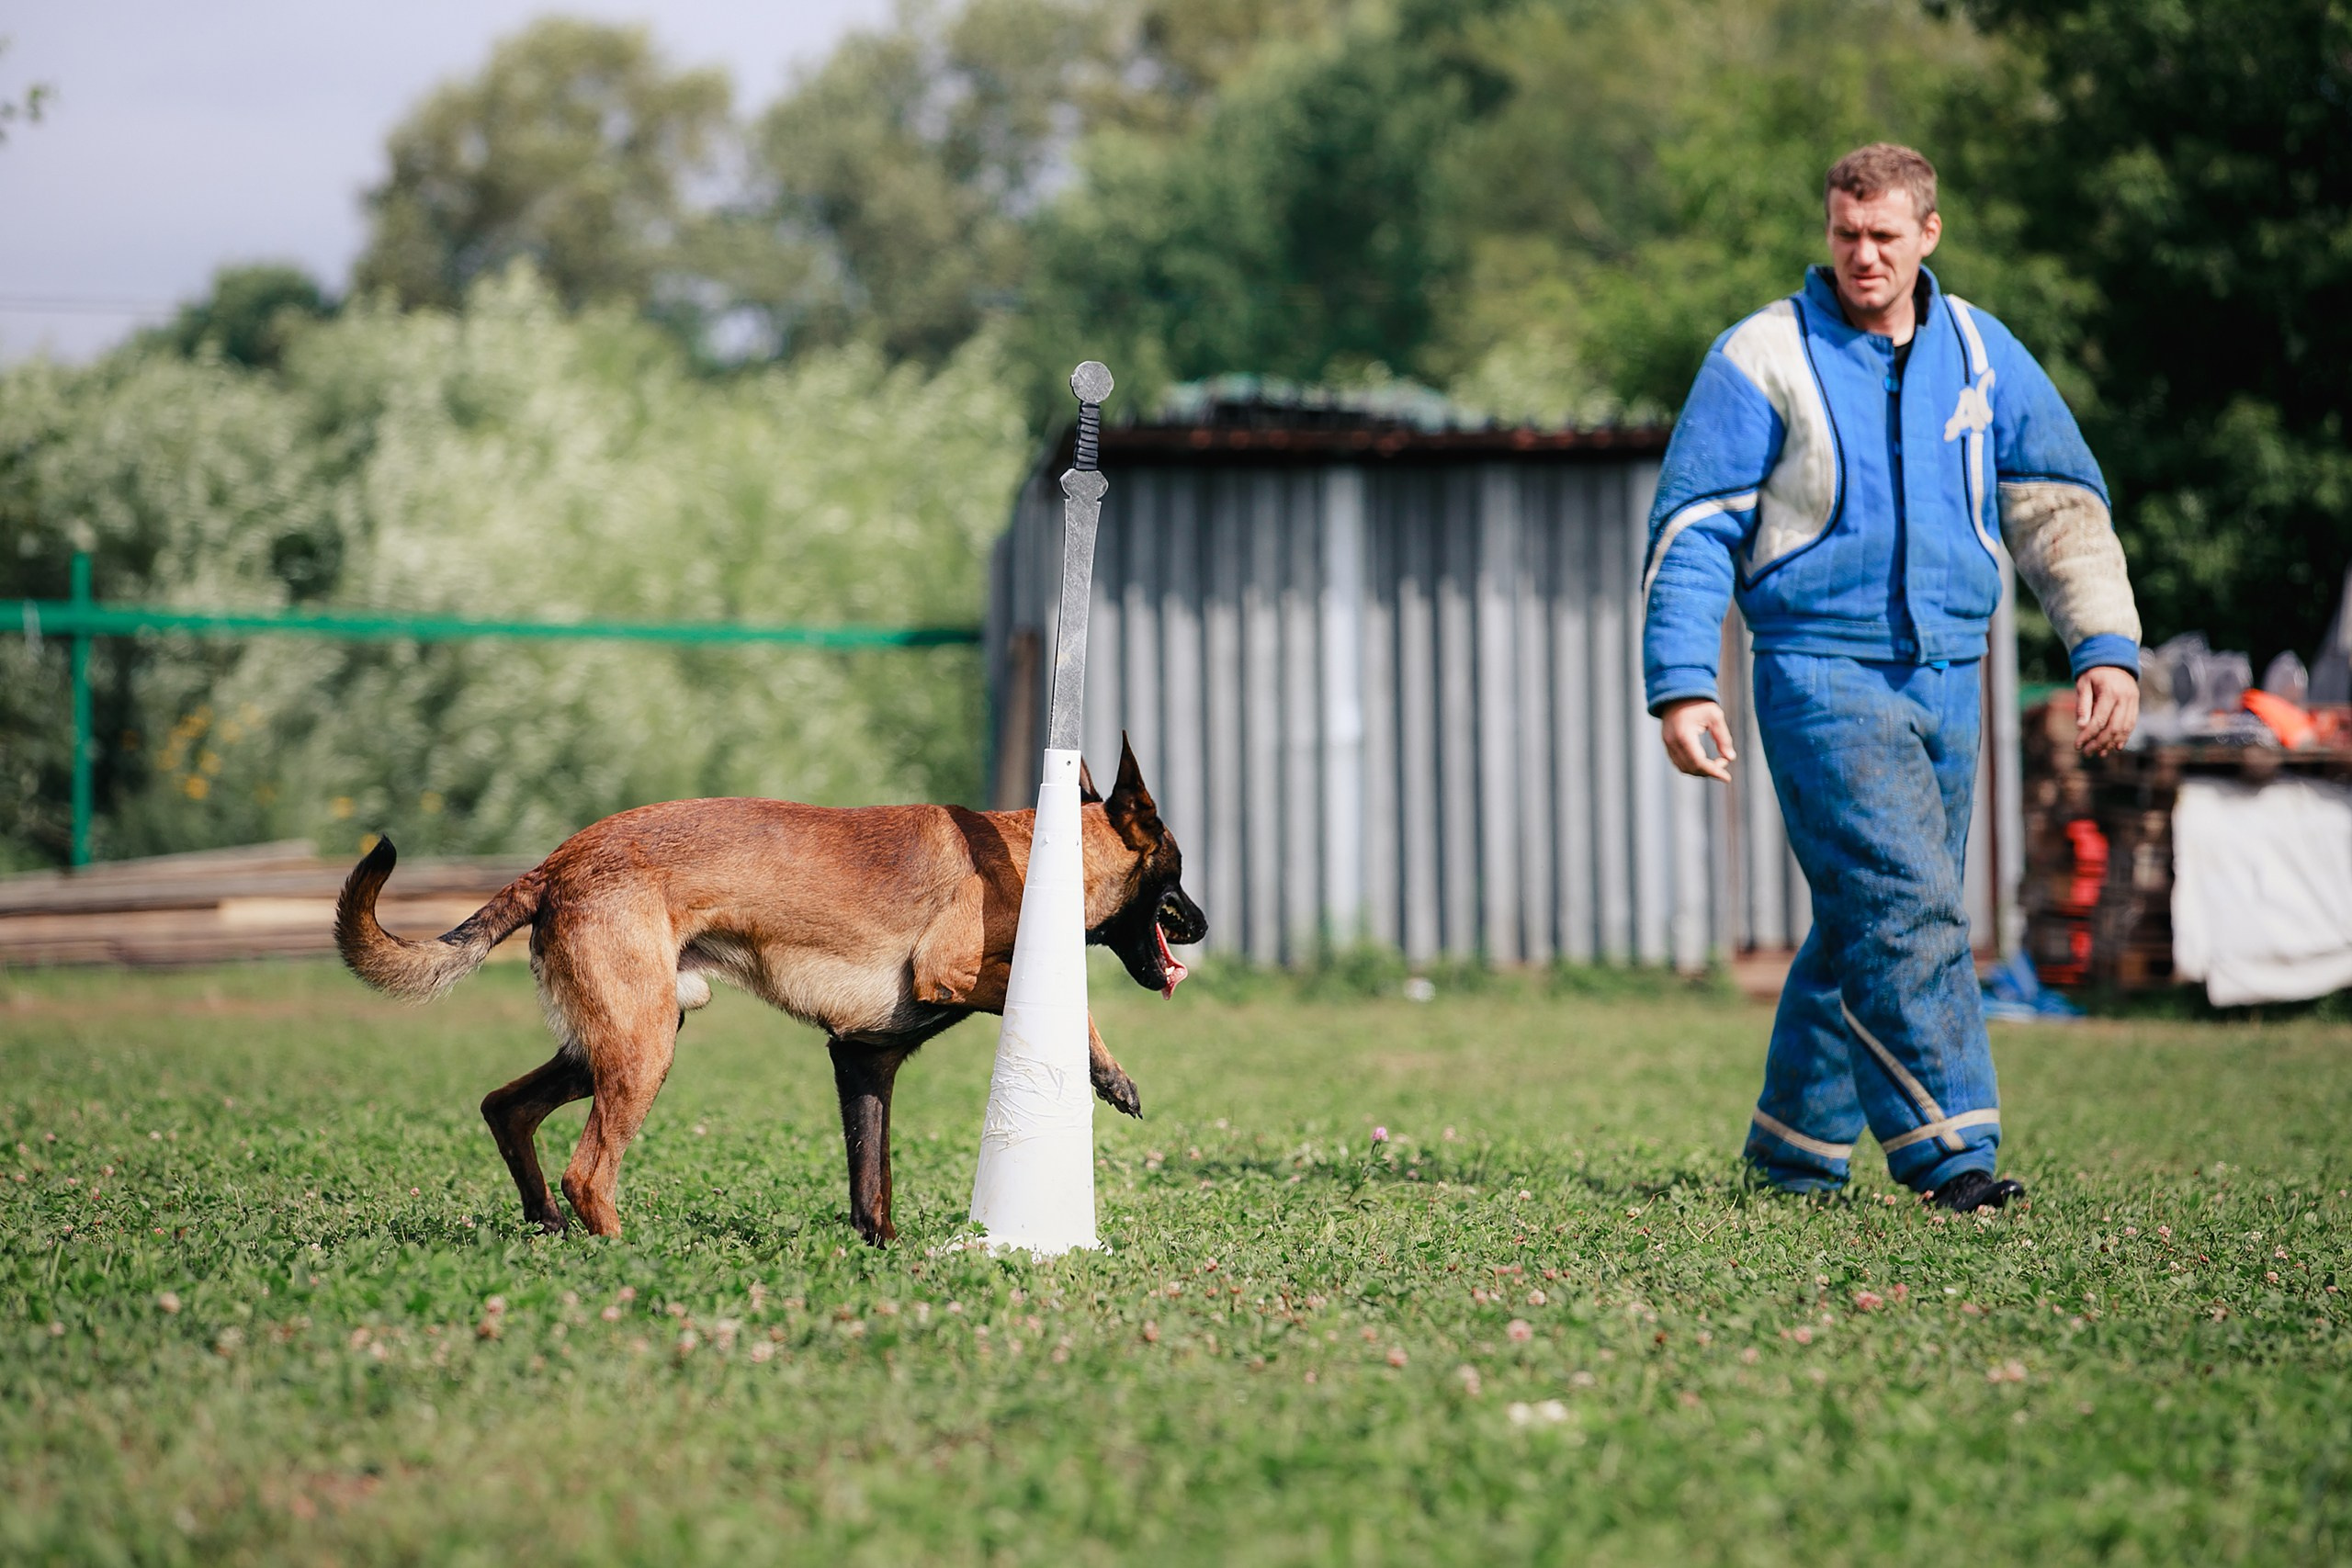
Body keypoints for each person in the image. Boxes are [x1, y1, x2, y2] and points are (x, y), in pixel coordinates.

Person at [1640, 142, 2141, 1211]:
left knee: (1863, 916)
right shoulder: (1759, 355)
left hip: (1951, 674)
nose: (1862, 255)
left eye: (1883, 235)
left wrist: (2104, 648)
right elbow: (1690, 531)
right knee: (1907, 905)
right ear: (1828, 232)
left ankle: (1791, 1156)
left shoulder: (1981, 350)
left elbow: (2058, 508)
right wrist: (1684, 682)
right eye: (1843, 234)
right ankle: (1950, 1155)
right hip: (1818, 674)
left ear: (1927, 233)